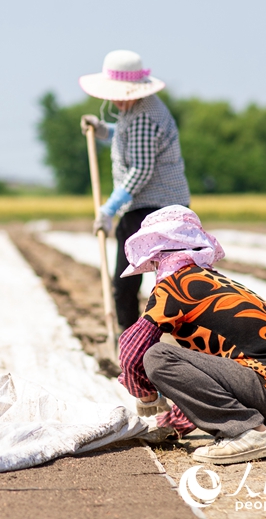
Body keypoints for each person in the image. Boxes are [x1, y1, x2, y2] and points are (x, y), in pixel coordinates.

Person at [117, 205, 266, 464]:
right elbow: (209, 378)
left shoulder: (175, 285)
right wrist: (174, 422)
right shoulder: (213, 281)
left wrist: (145, 394)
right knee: (189, 357)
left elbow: (131, 349)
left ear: (158, 255)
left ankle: (249, 432)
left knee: (157, 357)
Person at [79, 50, 191, 331]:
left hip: (154, 209)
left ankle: (131, 338)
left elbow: (141, 169)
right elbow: (127, 133)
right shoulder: (139, 108)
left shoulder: (144, 116)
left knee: (129, 282)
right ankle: (136, 340)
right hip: (163, 206)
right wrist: (104, 130)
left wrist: (109, 208)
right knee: (164, 282)